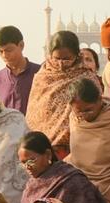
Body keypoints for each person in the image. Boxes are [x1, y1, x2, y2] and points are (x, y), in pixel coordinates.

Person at [26, 30, 100, 158]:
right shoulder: (42, 77)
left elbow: (97, 108)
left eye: (66, 59)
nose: (61, 63)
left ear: (77, 55)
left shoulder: (87, 76)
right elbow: (35, 114)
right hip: (43, 151)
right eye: (57, 58)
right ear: (50, 55)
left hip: (78, 148)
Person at [0, 25, 42, 115]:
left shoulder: (40, 73)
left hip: (34, 128)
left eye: (8, 50)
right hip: (5, 128)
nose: (4, 55)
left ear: (21, 45)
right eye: (0, 51)